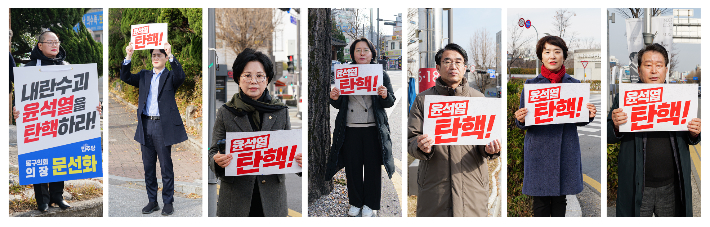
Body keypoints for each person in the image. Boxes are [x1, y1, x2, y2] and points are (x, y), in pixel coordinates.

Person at [408, 43, 501, 217]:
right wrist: (420, 146)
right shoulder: (423, 100)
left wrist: (489, 149)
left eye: (458, 62)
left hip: (472, 185)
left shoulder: (478, 99)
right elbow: (411, 139)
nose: (453, 66)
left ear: (465, 67)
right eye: (447, 61)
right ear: (438, 67)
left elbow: (486, 138)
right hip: (434, 188)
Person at [12, 30, 102, 212]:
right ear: (40, 45)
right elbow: (19, 97)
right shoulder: (28, 69)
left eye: (57, 42)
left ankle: (57, 197)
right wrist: (16, 111)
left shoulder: (67, 67)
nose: (55, 45)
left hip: (60, 122)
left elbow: (82, 95)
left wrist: (95, 106)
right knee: (38, 158)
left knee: (60, 154)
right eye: (50, 42)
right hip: (37, 123)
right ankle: (42, 201)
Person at [608, 43, 701, 217]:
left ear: (666, 69)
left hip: (671, 186)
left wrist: (694, 132)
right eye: (648, 65)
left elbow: (690, 135)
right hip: (637, 187)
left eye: (658, 65)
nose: (653, 70)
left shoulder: (679, 98)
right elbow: (609, 135)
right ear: (639, 69)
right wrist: (615, 125)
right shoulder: (626, 98)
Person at [208, 48, 302, 217]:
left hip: (272, 199)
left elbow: (291, 150)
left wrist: (302, 161)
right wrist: (216, 161)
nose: (253, 81)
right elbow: (213, 150)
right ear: (238, 78)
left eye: (259, 76)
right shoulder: (226, 112)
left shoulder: (280, 111)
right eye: (247, 75)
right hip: (235, 200)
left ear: (267, 79)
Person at [513, 36, 597, 217]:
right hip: (539, 151)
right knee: (540, 202)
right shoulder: (531, 85)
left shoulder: (574, 85)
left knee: (561, 199)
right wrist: (520, 119)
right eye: (547, 52)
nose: (552, 56)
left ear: (564, 56)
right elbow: (523, 122)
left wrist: (588, 115)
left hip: (565, 149)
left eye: (557, 52)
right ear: (541, 57)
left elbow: (579, 119)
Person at [326, 37, 395, 217]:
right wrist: (334, 97)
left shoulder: (381, 74)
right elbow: (339, 102)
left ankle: (370, 204)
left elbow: (390, 101)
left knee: (372, 168)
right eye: (358, 50)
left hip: (373, 128)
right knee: (352, 167)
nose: (362, 53)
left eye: (366, 50)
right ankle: (356, 202)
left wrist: (384, 95)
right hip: (350, 127)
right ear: (352, 53)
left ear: (372, 53)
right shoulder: (344, 72)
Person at [121, 41, 187, 215]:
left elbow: (181, 76)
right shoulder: (144, 75)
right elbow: (125, 77)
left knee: (166, 166)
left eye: (159, 55)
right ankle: (152, 201)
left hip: (162, 126)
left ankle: (168, 202)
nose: (156, 58)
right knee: (148, 166)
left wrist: (171, 54)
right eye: (153, 55)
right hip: (145, 124)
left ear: (165, 58)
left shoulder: (170, 76)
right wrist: (129, 55)